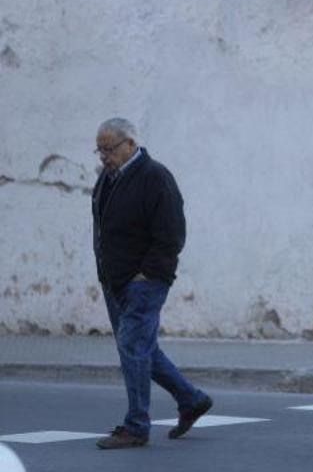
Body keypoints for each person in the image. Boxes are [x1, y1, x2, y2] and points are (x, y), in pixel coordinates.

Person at [91, 118, 212, 449]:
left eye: (110, 149)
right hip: (115, 281)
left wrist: (148, 274)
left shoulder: (155, 176)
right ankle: (191, 400)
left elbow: (172, 234)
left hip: (144, 281)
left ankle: (136, 426)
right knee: (140, 349)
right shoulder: (108, 178)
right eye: (99, 149)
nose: (103, 156)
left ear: (130, 144)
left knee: (133, 347)